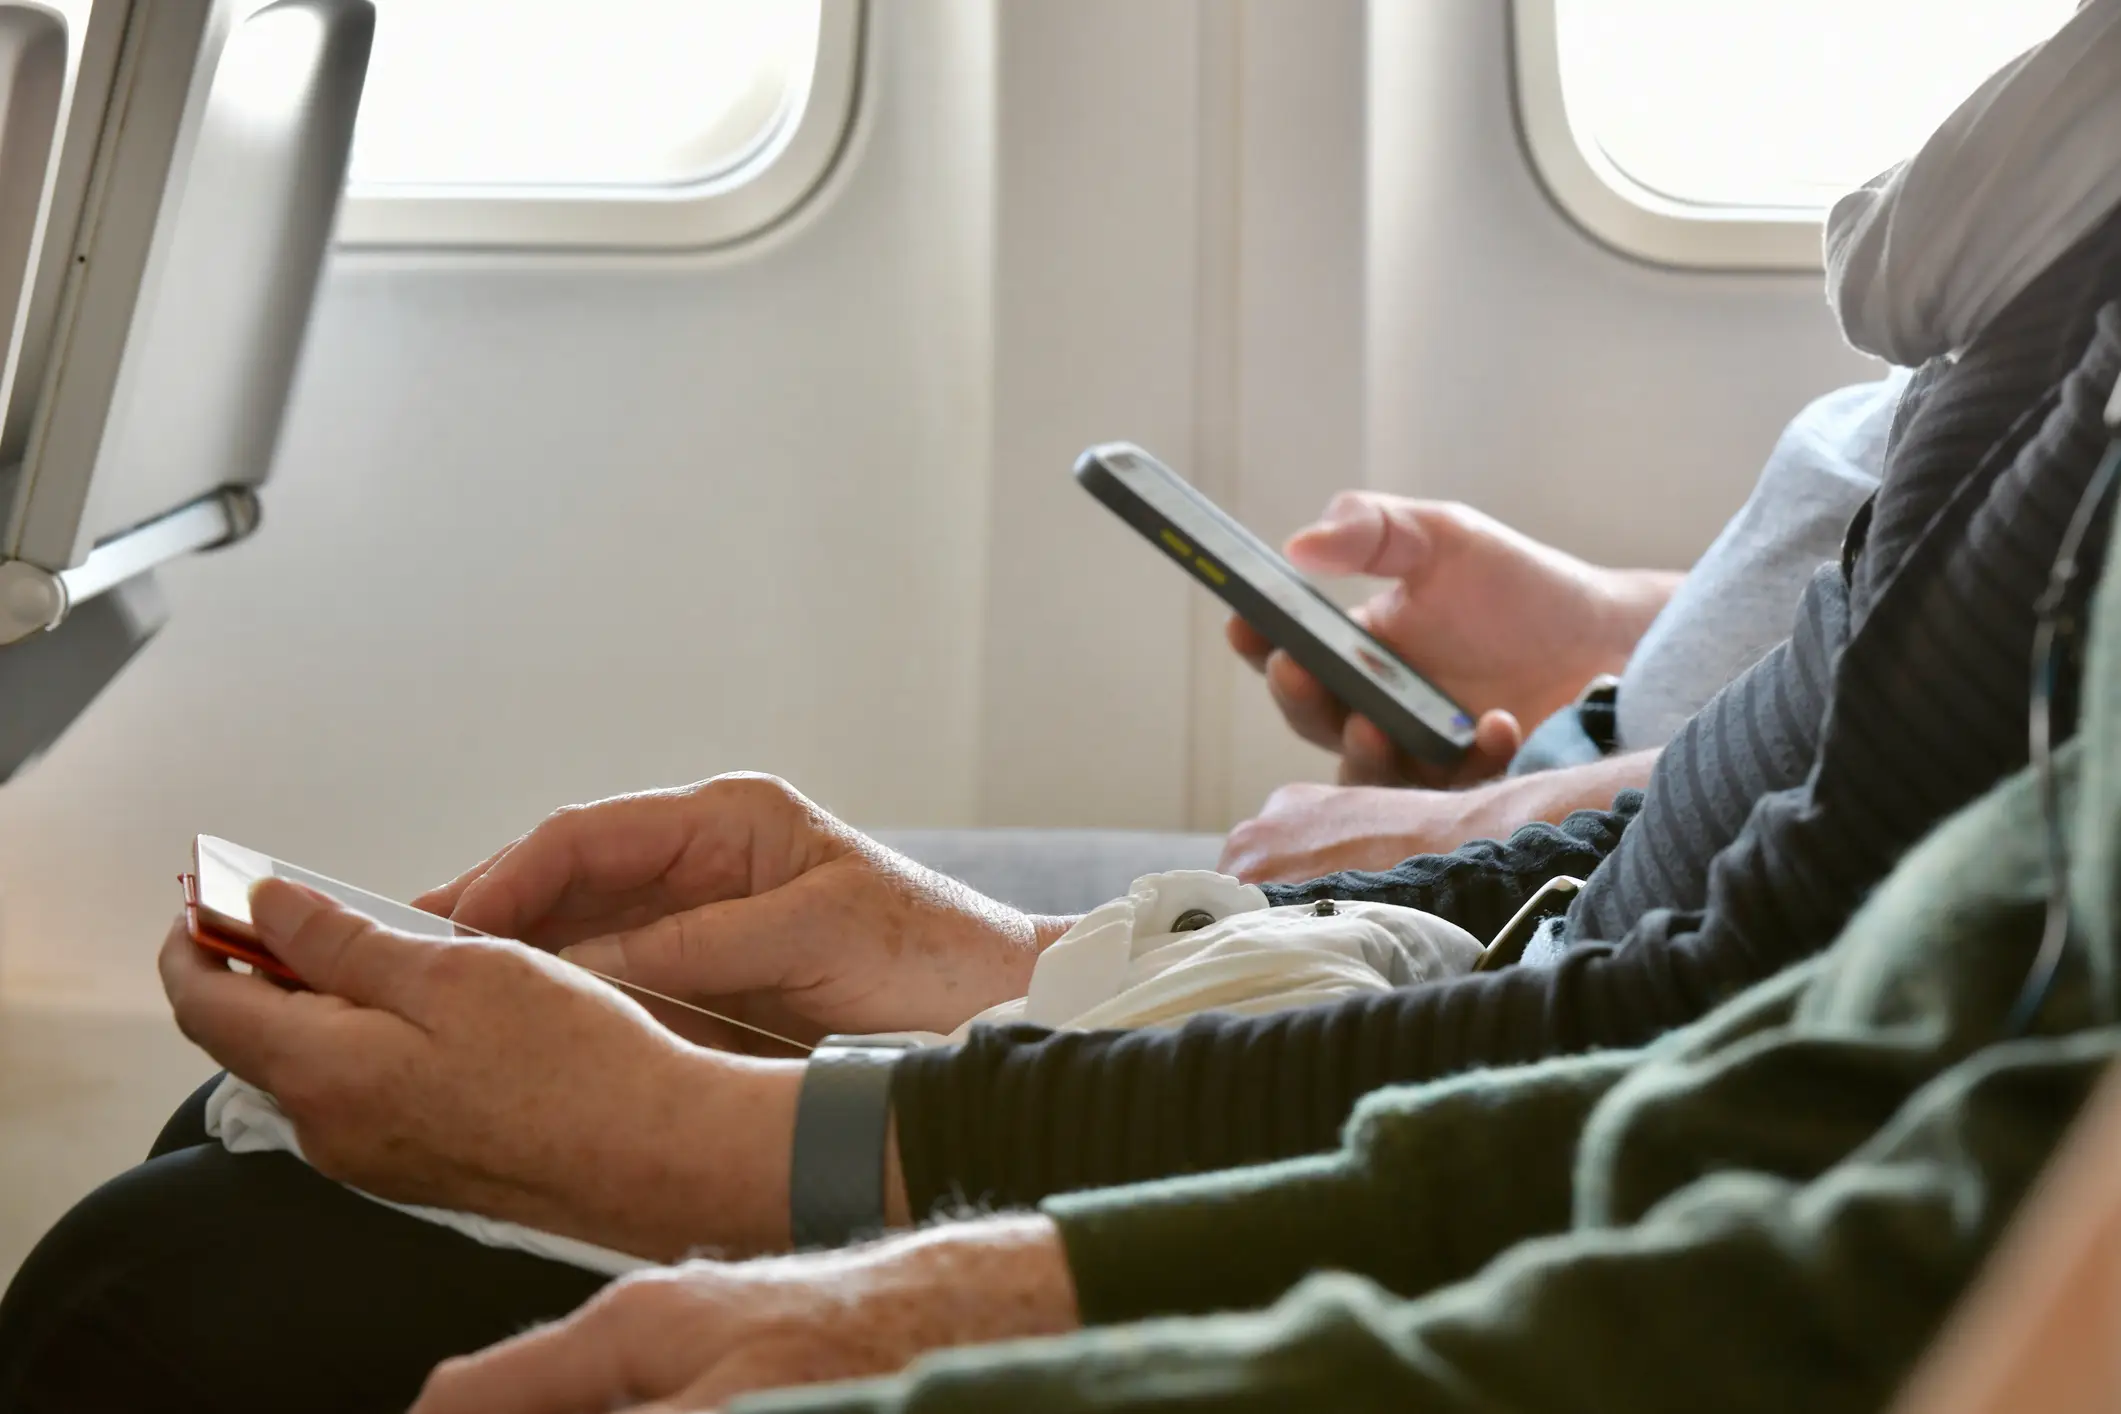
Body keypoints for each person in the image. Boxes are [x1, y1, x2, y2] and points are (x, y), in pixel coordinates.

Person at [6, 6, 2120, 1408]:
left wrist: (794, 1174)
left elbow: (1751, 1098)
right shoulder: (2050, 319)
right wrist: (1007, 971)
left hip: (1549, 1110)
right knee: (258, 1155)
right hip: (1527, 1005)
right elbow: (1759, 920)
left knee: (185, 1281)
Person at [1219, 365, 1903, 884]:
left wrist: (1466, 834)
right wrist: (1612, 636)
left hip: (1656, 865)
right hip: (1624, 775)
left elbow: (1902, 726)